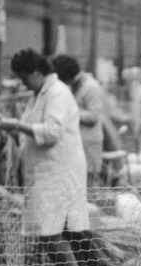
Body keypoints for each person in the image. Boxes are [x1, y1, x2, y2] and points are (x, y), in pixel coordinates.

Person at [0, 48, 99, 266]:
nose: (22, 83)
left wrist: (16, 125)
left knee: (47, 227)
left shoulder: (58, 93)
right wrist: (8, 127)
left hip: (58, 170)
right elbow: (31, 127)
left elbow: (51, 132)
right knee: (50, 226)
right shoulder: (39, 94)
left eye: (23, 77)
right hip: (45, 169)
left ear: (36, 72)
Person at [52, 55, 106, 187]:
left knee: (89, 186)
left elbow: (93, 117)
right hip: (77, 143)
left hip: (89, 143)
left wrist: (70, 112)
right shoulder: (73, 86)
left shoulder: (91, 87)